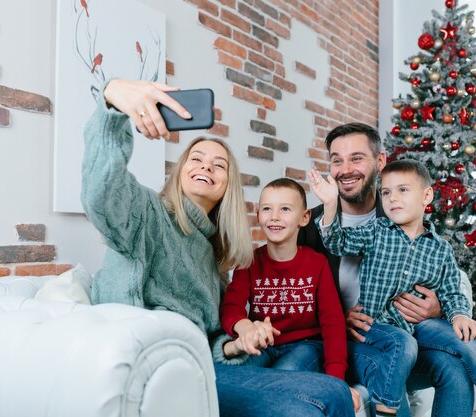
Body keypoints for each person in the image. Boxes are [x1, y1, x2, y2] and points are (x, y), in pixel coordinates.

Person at [81, 78, 354, 417]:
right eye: (196, 159)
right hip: (151, 370)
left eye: (219, 165)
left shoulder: (214, 255)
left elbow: (209, 336)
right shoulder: (145, 215)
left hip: (201, 368)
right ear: (181, 171)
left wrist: (236, 343)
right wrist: (112, 102)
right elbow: (100, 192)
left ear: (227, 187)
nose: (206, 167)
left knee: (335, 391)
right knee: (308, 408)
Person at [297, 122, 476, 417]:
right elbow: (290, 294)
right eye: (336, 160)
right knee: (387, 369)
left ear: (380, 162)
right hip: (343, 347)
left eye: (356, 158)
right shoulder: (313, 225)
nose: (345, 169)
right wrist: (335, 319)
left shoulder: (402, 213)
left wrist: (437, 308)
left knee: (456, 370)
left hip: (401, 341)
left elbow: (451, 281)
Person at [309, 159, 476, 417]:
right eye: (386, 192)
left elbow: (451, 291)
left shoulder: (440, 249)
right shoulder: (375, 231)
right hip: (377, 325)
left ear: (427, 195)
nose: (393, 198)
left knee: (468, 338)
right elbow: (338, 243)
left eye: (402, 190)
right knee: (404, 343)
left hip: (420, 326)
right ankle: (386, 407)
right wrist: (329, 205)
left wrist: (460, 315)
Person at [220, 178, 361, 410]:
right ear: (258, 215)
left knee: (284, 375)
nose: (274, 216)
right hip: (265, 345)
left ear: (303, 218)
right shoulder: (249, 262)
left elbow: (333, 323)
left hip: (305, 345)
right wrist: (244, 326)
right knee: (237, 375)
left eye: (285, 209)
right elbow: (231, 308)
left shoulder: (317, 264)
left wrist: (336, 381)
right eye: (267, 208)